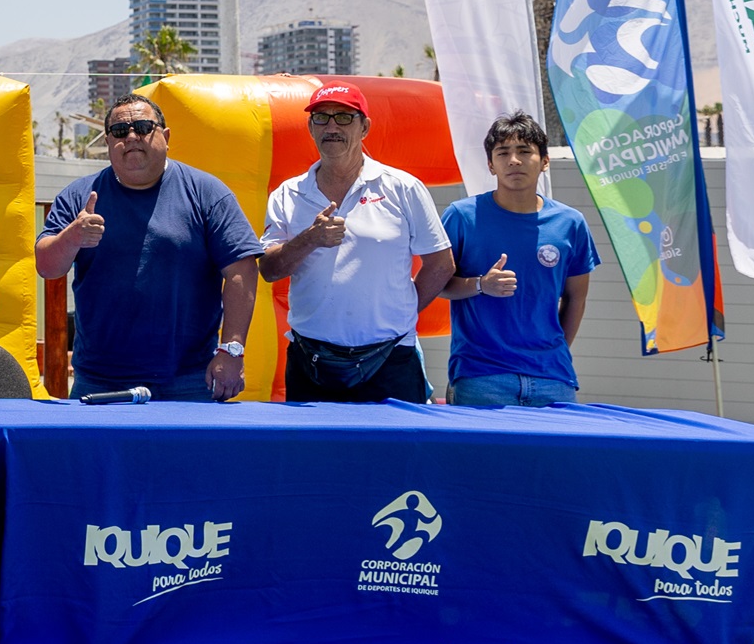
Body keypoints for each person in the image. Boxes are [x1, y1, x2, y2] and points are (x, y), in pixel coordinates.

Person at [37, 94, 263, 402]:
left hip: (190, 379)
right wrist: (72, 237)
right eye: (120, 131)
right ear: (108, 142)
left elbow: (242, 270)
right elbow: (47, 266)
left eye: (143, 127)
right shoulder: (79, 196)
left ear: (166, 137)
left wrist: (232, 348)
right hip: (100, 381)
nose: (131, 136)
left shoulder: (207, 193)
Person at [261, 83, 455, 403]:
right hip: (312, 361)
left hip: (391, 360)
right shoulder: (287, 194)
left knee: (396, 454)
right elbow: (268, 269)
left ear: (364, 127)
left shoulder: (403, 187)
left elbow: (441, 264)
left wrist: (403, 311)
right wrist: (310, 239)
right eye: (321, 118)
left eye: (344, 117)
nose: (332, 126)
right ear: (310, 128)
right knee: (315, 455)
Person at [437, 112, 598, 405]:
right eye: (503, 153)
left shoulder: (570, 223)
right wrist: (480, 285)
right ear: (490, 164)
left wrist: (555, 352)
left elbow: (576, 298)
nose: (514, 160)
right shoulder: (461, 216)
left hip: (553, 378)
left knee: (553, 454)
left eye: (525, 151)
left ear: (545, 161)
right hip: (481, 376)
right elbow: (437, 285)